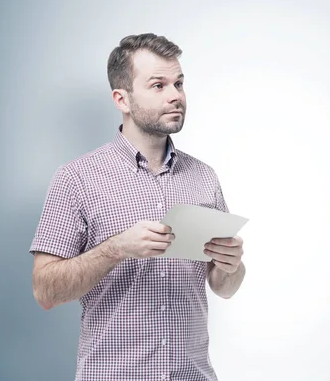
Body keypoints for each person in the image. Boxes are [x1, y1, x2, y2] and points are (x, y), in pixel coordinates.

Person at [29, 33, 245, 381]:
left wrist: (231, 266)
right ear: (122, 99)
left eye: (179, 83)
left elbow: (224, 286)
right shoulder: (76, 179)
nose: (176, 95)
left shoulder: (205, 177)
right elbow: (45, 290)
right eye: (158, 85)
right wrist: (116, 249)